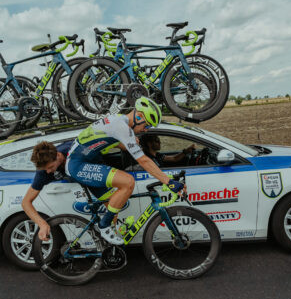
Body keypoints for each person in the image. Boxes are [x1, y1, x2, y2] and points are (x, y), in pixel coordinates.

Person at [24, 97, 185, 246]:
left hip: (85, 165)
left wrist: (128, 143)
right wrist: (169, 182)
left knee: (113, 209)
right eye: (147, 125)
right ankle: (104, 225)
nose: (145, 130)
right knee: (128, 182)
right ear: (139, 117)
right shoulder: (120, 125)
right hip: (79, 166)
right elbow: (142, 160)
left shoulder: (119, 124)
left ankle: (107, 249)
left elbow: (103, 142)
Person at [21, 140, 73, 244]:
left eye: (50, 167)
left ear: (58, 155)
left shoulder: (71, 148)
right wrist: (42, 224)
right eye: (46, 169)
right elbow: (25, 202)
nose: (48, 172)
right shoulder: (43, 173)